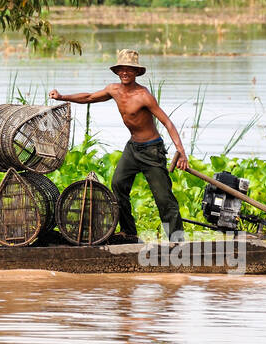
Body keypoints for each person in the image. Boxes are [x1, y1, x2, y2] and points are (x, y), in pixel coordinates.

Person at [50, 49, 189, 242]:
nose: (125, 72)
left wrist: (180, 151)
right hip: (133, 148)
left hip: (151, 149)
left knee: (163, 198)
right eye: (122, 69)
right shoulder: (113, 90)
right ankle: (129, 231)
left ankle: (177, 240)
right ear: (117, 71)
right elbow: (89, 97)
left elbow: (167, 122)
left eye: (129, 70)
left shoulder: (143, 95)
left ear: (136, 72)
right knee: (117, 184)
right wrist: (62, 97)